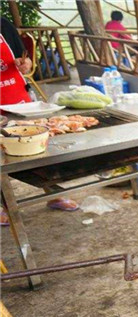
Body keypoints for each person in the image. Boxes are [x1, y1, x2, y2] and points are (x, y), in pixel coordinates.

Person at [0, 18, 78, 225]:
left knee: (41, 148)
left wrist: (25, 64)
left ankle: (53, 193)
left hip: (18, 100)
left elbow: (26, 63)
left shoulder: (3, 25)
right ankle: (2, 205)